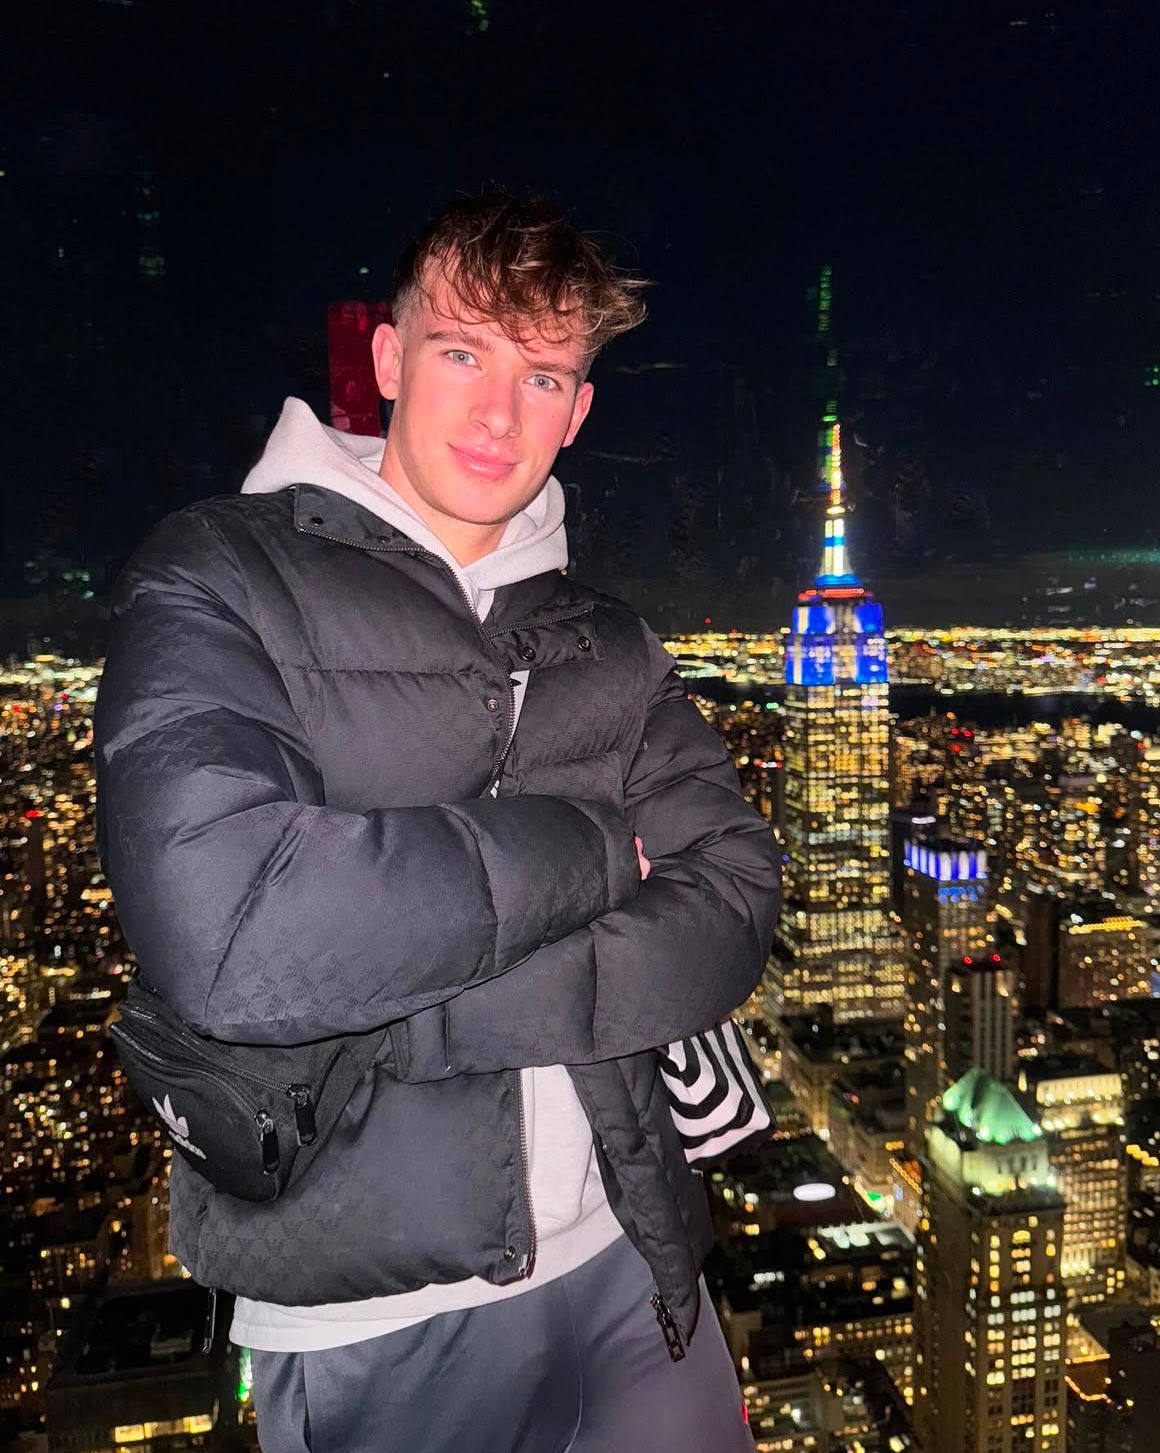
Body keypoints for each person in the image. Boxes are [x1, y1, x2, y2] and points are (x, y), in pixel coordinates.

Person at [95, 191, 780, 1452]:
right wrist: (587, 853)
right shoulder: (220, 576)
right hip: (376, 1321)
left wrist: (399, 1007)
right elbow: (234, 936)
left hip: (638, 1266)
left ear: (579, 410)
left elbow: (735, 895)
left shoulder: (607, 641)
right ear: (388, 357)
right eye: (463, 351)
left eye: (544, 375)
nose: (497, 410)